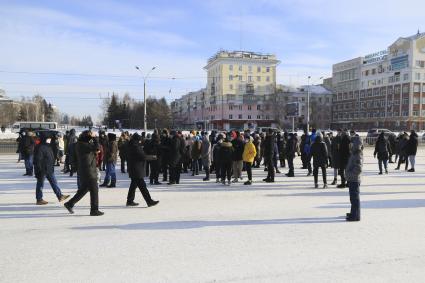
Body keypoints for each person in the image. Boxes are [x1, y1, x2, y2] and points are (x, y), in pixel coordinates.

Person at [64, 130, 104, 216]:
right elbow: (97, 147)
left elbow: (96, 149)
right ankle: (94, 210)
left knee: (84, 189)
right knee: (94, 190)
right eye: (90, 136)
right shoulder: (82, 144)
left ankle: (70, 203)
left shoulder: (82, 144)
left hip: (87, 169)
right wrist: (95, 138)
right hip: (88, 170)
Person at [33, 132, 69, 205]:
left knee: (54, 182)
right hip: (42, 170)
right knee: (40, 184)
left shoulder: (48, 146)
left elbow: (55, 150)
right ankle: (39, 199)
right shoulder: (40, 147)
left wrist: (55, 139)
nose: (49, 140)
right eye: (48, 139)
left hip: (49, 169)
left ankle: (60, 196)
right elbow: (37, 160)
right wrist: (39, 170)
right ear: (45, 139)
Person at [126, 133, 159, 207]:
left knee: (133, 185)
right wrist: (153, 157)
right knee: (143, 186)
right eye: (139, 140)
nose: (141, 141)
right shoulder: (135, 147)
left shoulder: (132, 145)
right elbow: (143, 156)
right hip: (136, 169)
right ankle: (149, 201)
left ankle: (129, 200)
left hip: (134, 168)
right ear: (137, 140)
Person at [345, 135, 363, 222]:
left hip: (354, 179)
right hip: (352, 178)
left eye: (352, 144)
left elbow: (358, 168)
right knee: (352, 198)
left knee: (355, 198)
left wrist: (349, 174)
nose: (350, 145)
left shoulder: (358, 153)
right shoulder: (354, 152)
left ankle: (356, 215)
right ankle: (353, 213)